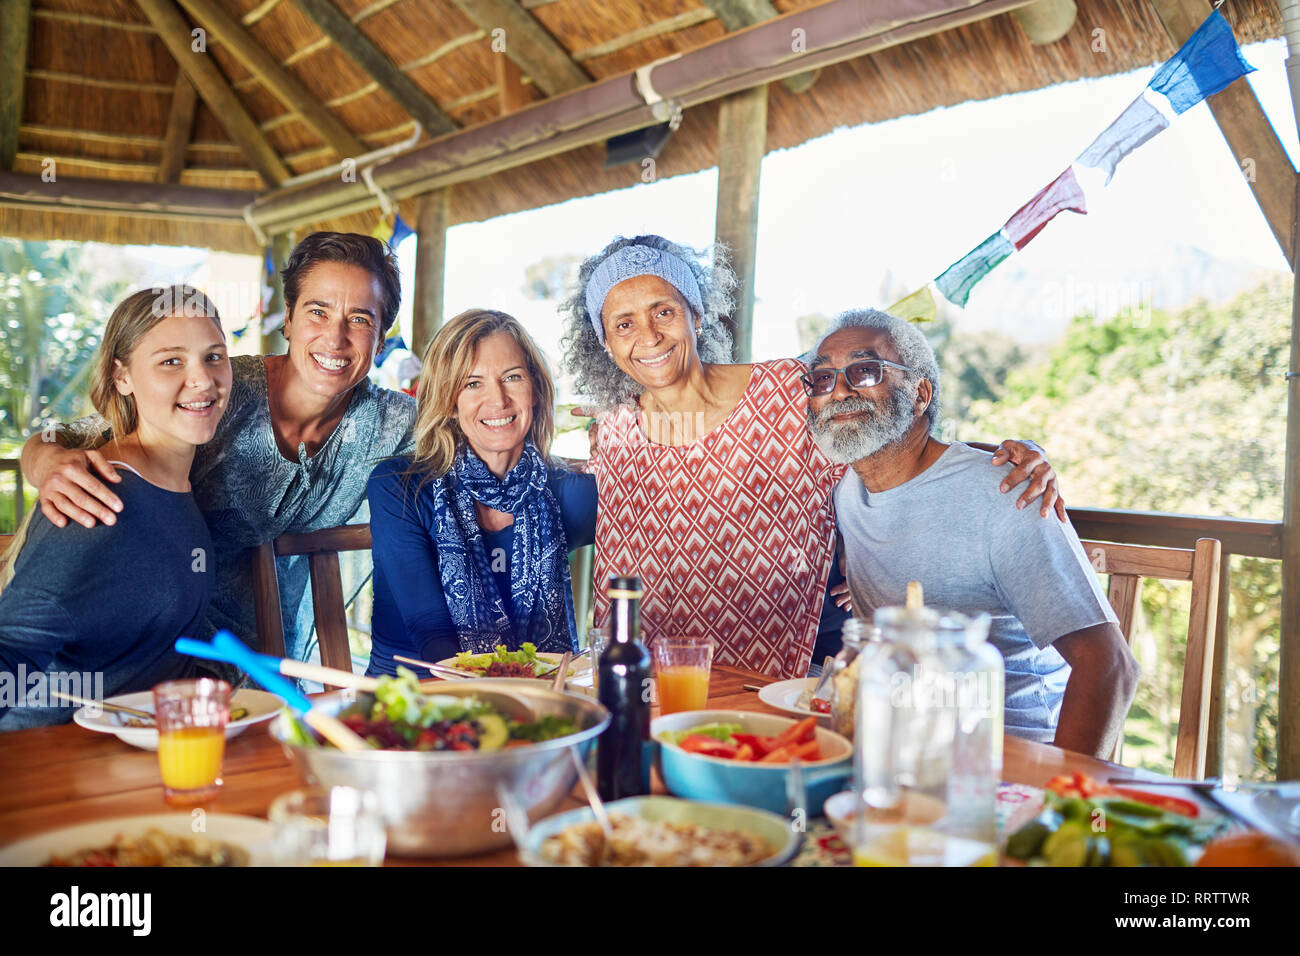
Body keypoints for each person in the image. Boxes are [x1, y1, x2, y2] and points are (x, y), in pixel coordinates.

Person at [560, 234, 1065, 679]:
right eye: (623, 324)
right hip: (650, 664)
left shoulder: (784, 387)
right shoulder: (612, 426)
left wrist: (1009, 459)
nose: (647, 336)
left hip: (785, 665)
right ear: (604, 342)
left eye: (663, 312)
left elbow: (894, 440)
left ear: (695, 313)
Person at [19, 233, 416, 664]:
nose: (335, 337)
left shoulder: (392, 422)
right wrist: (46, 462)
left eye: (359, 319)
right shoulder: (218, 391)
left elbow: (468, 439)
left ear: (380, 340)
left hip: (276, 658)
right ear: (288, 319)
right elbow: (66, 437)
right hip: (157, 651)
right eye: (317, 311)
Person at [806, 308, 1138, 758]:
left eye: (866, 371)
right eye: (822, 379)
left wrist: (1061, 803)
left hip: (1008, 757)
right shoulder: (847, 489)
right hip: (899, 747)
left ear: (920, 394)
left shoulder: (1005, 493)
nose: (839, 389)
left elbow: (1110, 667)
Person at [0, 287, 231, 729]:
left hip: (143, 749)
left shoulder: (173, 482)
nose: (202, 379)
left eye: (214, 356)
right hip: (58, 760)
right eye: (171, 361)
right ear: (122, 377)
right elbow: (11, 649)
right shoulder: (97, 497)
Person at [365, 309, 596, 676]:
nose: (499, 399)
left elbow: (662, 507)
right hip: (415, 706)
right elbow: (433, 636)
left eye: (513, 377)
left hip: (536, 702)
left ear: (535, 389)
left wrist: (623, 445)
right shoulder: (398, 486)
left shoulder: (564, 491)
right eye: (473, 383)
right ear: (449, 401)